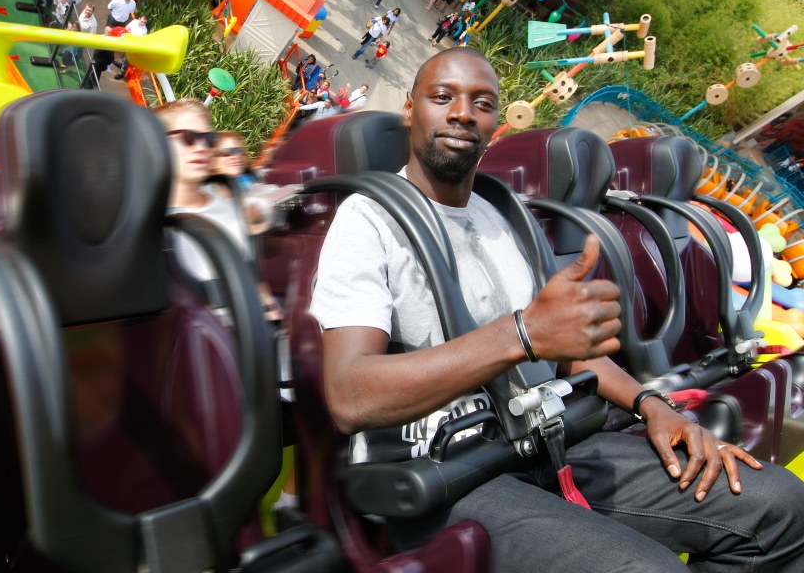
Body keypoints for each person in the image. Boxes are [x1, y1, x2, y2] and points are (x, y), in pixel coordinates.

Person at [309, 47, 804, 571]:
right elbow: (349, 396)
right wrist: (521, 335)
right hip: (441, 469)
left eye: (482, 102)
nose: (462, 113)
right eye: (442, 97)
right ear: (410, 109)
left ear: (496, 123)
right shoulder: (366, 221)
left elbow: (563, 346)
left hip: (546, 441)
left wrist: (653, 406)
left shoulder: (502, 214)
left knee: (779, 508)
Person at [155, 99, 281, 319]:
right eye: (188, 138)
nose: (202, 148)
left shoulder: (228, 195)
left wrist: (270, 311)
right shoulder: (151, 222)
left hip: (252, 329)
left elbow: (251, 268)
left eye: (208, 139)